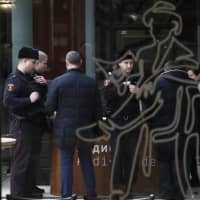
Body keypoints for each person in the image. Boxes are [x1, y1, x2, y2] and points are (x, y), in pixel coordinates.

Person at [45, 50, 101, 200]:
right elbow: (98, 109)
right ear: (81, 63)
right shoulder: (91, 82)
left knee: (66, 163)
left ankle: (67, 195)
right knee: (87, 161)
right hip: (86, 129)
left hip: (65, 130)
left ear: (67, 63)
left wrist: (55, 114)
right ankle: (90, 194)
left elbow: (49, 108)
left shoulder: (57, 81)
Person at [150, 62, 200, 200]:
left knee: (165, 165)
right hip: (186, 134)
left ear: (165, 70)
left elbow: (151, 110)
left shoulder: (159, 84)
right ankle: (182, 194)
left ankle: (167, 193)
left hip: (164, 133)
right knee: (183, 167)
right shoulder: (192, 85)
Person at [3, 47, 47, 199]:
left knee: (32, 162)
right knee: (21, 163)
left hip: (34, 125)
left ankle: (28, 193)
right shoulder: (14, 78)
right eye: (33, 62)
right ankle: (18, 195)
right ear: (24, 60)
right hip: (22, 126)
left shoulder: (30, 77)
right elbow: (8, 101)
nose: (35, 66)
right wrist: (29, 100)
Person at [103, 49, 141, 200]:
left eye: (131, 63)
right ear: (119, 64)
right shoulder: (111, 79)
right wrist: (123, 88)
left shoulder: (138, 78)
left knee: (131, 158)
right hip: (116, 125)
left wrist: (138, 91)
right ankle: (115, 190)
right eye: (126, 63)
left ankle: (129, 190)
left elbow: (149, 97)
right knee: (117, 158)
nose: (129, 66)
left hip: (133, 124)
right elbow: (106, 97)